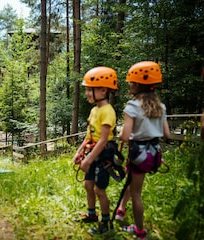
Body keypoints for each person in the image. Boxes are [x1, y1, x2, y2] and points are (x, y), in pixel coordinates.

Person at [115, 61, 170, 240]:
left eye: (131, 82)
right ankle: (121, 210)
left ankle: (139, 232)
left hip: (138, 153)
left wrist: (122, 131)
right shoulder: (160, 107)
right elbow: (167, 134)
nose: (129, 84)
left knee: (136, 193)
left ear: (138, 85)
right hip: (153, 153)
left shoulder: (132, 107)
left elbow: (125, 136)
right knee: (134, 184)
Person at [73, 66, 118, 234]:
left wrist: (89, 159)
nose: (86, 94)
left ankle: (105, 224)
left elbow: (104, 139)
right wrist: (79, 152)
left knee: (99, 190)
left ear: (103, 90)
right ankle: (92, 214)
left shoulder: (107, 111)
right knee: (88, 185)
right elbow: (89, 135)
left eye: (89, 90)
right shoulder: (94, 110)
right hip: (92, 150)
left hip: (103, 152)